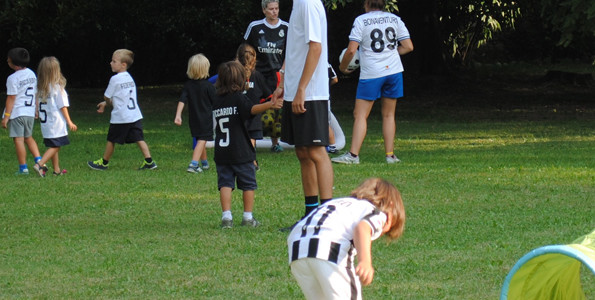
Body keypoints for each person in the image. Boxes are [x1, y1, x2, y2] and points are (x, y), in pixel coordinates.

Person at [287, 177, 406, 300]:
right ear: (390, 207)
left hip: (297, 250)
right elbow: (363, 228)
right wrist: (365, 262)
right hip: (329, 248)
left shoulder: (338, 203)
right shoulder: (377, 212)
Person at [272, 0, 334, 227]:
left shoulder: (308, 3)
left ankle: (327, 218)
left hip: (311, 92)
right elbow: (296, 49)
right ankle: (310, 216)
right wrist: (284, 84)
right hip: (295, 90)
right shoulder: (298, 3)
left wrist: (301, 89)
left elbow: (315, 48)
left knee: (316, 151)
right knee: (302, 152)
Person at [332, 0, 413, 165]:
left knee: (360, 115)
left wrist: (342, 67)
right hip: (394, 71)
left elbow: (351, 50)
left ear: (366, 4)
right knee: (389, 114)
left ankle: (353, 155)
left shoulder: (361, 20)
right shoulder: (394, 19)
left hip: (372, 73)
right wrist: (389, 55)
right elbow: (408, 46)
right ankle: (390, 155)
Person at [213, 61, 282, 229]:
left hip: (222, 152)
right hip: (241, 151)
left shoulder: (217, 100)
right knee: (248, 184)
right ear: (240, 80)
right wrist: (269, 105)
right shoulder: (239, 98)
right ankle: (247, 217)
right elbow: (251, 110)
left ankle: (226, 217)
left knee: (225, 184)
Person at [87, 49, 157, 171]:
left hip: (121, 117)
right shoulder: (129, 78)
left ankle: (104, 163)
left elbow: (107, 96)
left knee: (111, 139)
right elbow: (122, 97)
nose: (111, 63)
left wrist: (107, 103)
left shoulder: (115, 79)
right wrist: (106, 103)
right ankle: (149, 161)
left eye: (114, 61)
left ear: (123, 64)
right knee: (139, 138)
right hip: (134, 115)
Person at [244, 0, 289, 153]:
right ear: (264, 10)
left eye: (276, 8)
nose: (274, 12)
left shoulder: (286, 27)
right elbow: (245, 49)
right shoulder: (255, 27)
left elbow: (290, 53)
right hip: (257, 74)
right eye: (271, 9)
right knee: (254, 104)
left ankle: (275, 142)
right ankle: (251, 140)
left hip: (277, 74)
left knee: (276, 106)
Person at [33, 57, 77, 177]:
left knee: (53, 145)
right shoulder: (57, 88)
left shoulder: (40, 88)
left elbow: (37, 103)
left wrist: (36, 112)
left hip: (46, 124)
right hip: (56, 122)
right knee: (56, 146)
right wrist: (69, 121)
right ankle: (40, 164)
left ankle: (56, 170)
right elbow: (63, 106)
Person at [2, 47, 43, 175]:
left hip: (18, 112)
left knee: (18, 140)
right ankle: (40, 163)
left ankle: (23, 168)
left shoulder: (12, 78)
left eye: (8, 60)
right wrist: (36, 109)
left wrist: (6, 116)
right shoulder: (31, 74)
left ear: (13, 62)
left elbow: (11, 98)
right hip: (29, 112)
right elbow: (36, 93)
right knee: (28, 137)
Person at [174, 53, 215, 173]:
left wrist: (178, 115)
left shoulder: (188, 85)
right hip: (205, 119)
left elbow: (182, 100)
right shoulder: (208, 86)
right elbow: (216, 102)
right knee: (202, 140)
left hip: (193, 119)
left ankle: (205, 163)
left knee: (199, 139)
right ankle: (193, 164)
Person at [236, 43, 272, 170]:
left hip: (237, 113)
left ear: (237, 58)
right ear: (254, 59)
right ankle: (252, 161)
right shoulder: (257, 76)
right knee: (251, 138)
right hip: (254, 113)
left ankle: (241, 161)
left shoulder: (234, 75)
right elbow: (268, 94)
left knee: (239, 138)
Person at [326, 63, 339, 154]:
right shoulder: (328, 65)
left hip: (316, 97)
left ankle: (332, 146)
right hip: (326, 97)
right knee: (325, 122)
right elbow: (335, 79)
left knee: (323, 123)